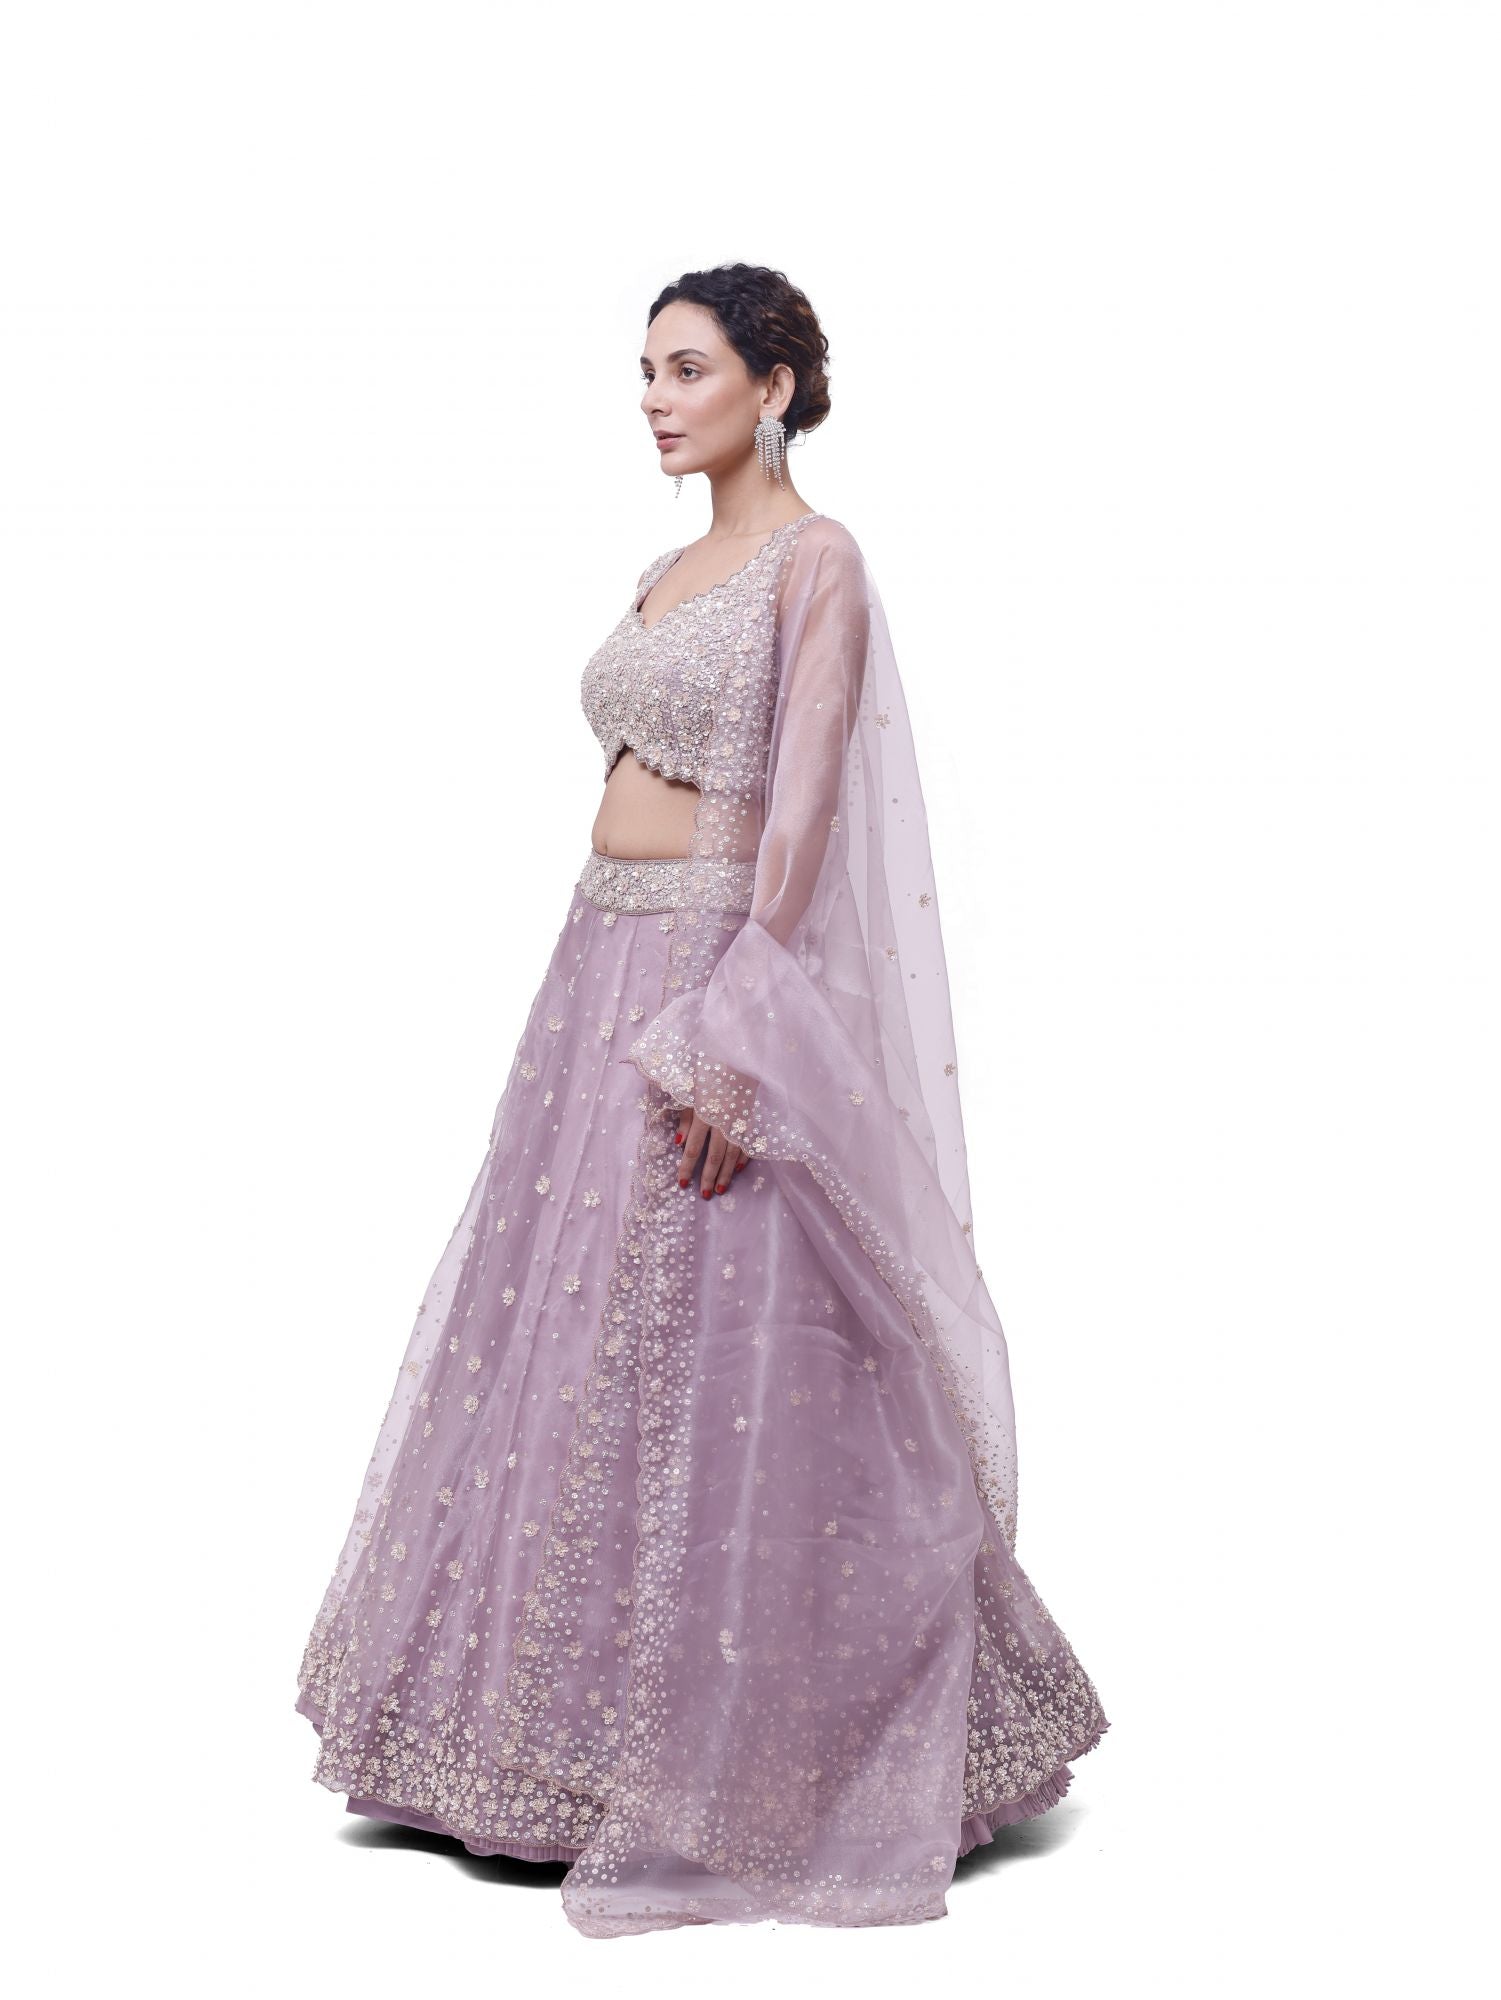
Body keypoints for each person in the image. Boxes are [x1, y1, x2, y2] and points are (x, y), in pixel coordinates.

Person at [295, 262, 1108, 1937]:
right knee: (563, 1330)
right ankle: (543, 1744)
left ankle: (756, 1750)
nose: (656, 400)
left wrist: (740, 1033)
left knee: (730, 1336)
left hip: (711, 970)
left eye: (688, 369)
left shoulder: (819, 562)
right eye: (646, 371)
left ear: (775, 387)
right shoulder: (663, 572)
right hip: (591, 968)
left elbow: (801, 817)